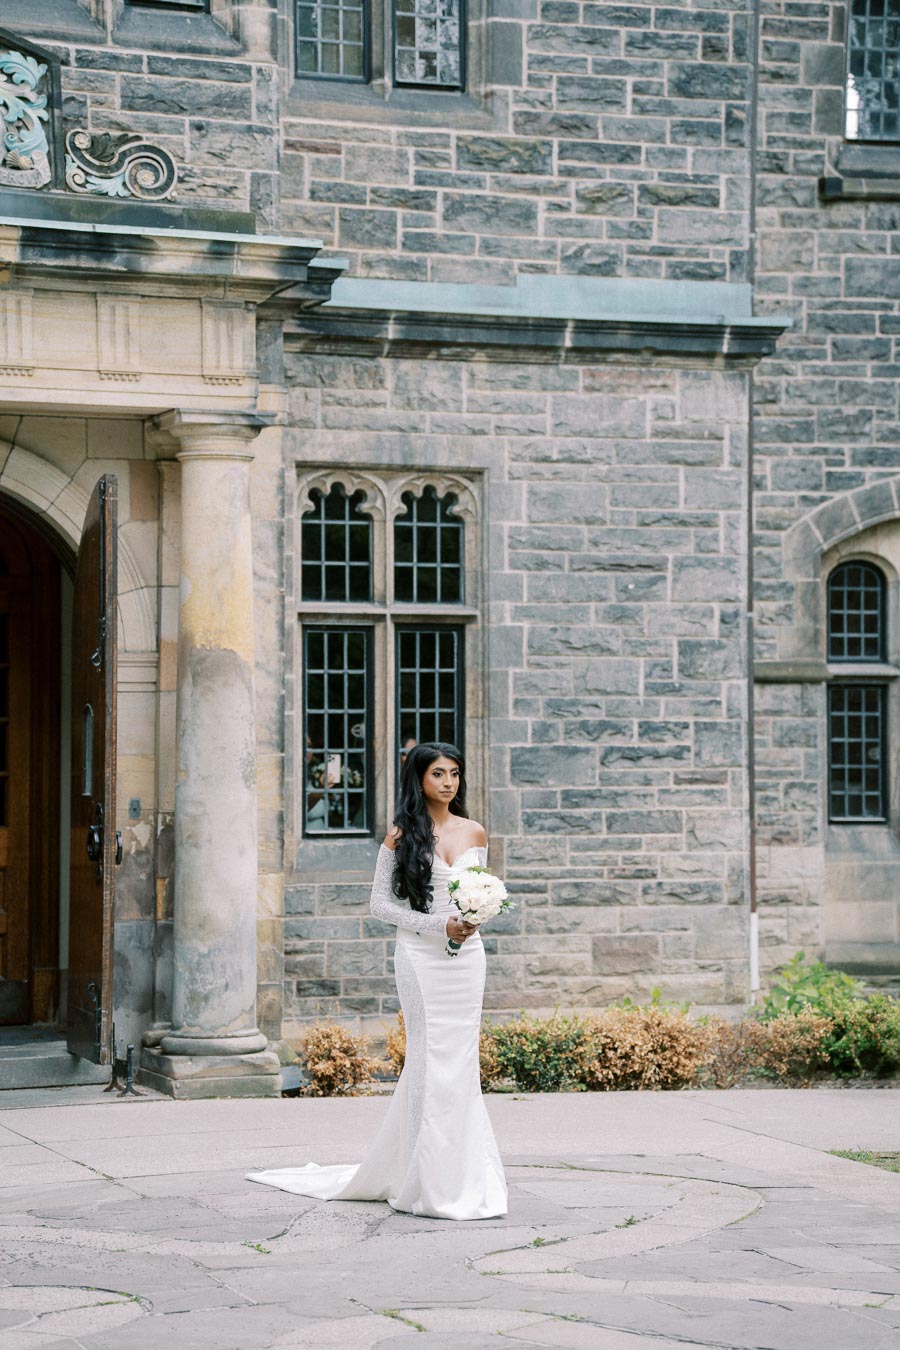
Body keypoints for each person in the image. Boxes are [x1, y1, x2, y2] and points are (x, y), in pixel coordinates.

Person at [248, 741, 508, 1221]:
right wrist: (438, 926)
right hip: (420, 958)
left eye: (454, 773)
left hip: (467, 959)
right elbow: (381, 906)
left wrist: (474, 920)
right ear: (419, 779)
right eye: (437, 774)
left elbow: (482, 893)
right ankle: (423, 1176)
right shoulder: (401, 836)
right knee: (429, 1058)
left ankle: (464, 1171)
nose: (448, 782)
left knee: (461, 1059)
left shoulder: (475, 832)